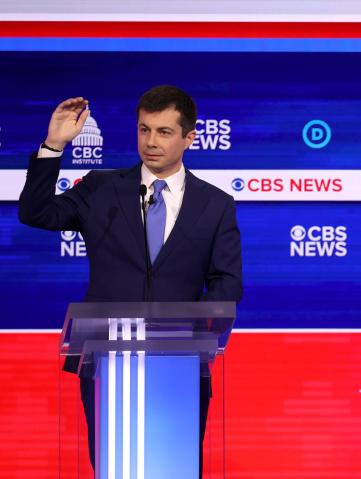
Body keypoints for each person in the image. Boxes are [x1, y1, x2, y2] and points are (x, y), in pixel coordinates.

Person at [19, 85, 242, 476]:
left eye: (163, 132)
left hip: (182, 365)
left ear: (190, 137)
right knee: (114, 466)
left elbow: (226, 281)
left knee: (177, 467)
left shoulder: (215, 204)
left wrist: (198, 336)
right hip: (108, 360)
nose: (150, 142)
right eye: (144, 130)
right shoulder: (102, 188)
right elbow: (38, 214)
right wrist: (54, 145)